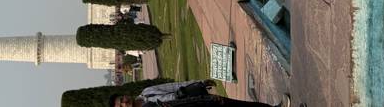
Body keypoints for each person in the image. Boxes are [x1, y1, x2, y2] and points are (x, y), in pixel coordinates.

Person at [109, 80, 291, 107]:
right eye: (121, 106)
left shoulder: (147, 92)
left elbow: (175, 86)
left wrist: (198, 84)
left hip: (202, 99)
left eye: (122, 99)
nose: (125, 103)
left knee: (241, 105)